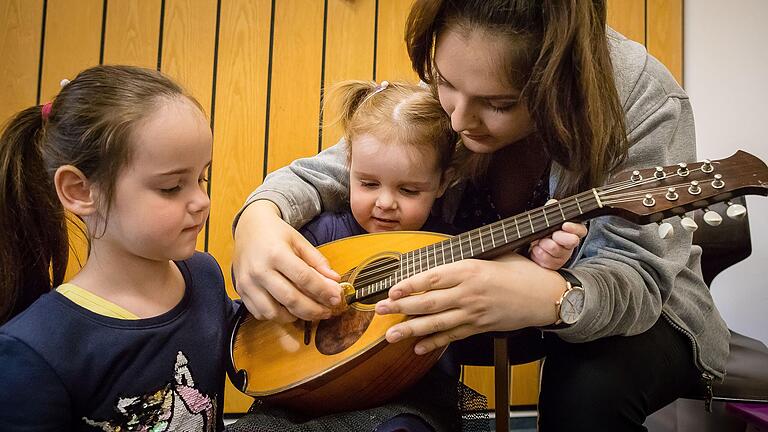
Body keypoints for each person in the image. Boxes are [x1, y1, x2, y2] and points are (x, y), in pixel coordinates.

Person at [232, 0, 730, 430]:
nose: (457, 120)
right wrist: (260, 219)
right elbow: (324, 174)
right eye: (444, 83)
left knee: (586, 394)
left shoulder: (643, 100)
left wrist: (554, 295)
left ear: (558, 83)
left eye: (499, 103)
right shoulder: (462, 80)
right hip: (453, 313)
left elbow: (639, 278)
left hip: (637, 316)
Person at [229, 79, 586, 432]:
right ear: (348, 167)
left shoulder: (452, 247)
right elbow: (259, 296)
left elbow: (506, 332)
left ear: (443, 183)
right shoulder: (323, 234)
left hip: (414, 399)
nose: (385, 202)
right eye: (368, 183)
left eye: (409, 189)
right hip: (303, 393)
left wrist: (543, 266)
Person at [0, 65, 235, 431]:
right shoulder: (35, 350)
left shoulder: (206, 276)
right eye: (172, 187)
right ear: (80, 191)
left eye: (202, 177)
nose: (201, 201)